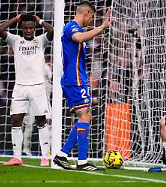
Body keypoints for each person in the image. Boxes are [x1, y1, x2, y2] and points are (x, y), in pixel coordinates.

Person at [53, 1, 113, 171]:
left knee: (85, 116)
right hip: (75, 79)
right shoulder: (71, 27)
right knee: (85, 116)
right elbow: (78, 38)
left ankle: (63, 155)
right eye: (91, 17)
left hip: (77, 79)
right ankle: (82, 162)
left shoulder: (77, 29)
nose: (91, 21)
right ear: (86, 13)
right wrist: (102, 27)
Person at [0, 13, 53, 167]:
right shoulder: (15, 40)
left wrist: (39, 20)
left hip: (38, 86)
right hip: (20, 86)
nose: (28, 30)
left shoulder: (40, 40)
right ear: (21, 28)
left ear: (34, 28)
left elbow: (52, 31)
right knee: (16, 120)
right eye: (25, 28)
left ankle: (45, 156)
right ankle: (17, 157)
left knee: (41, 120)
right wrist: (16, 18)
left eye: (31, 27)